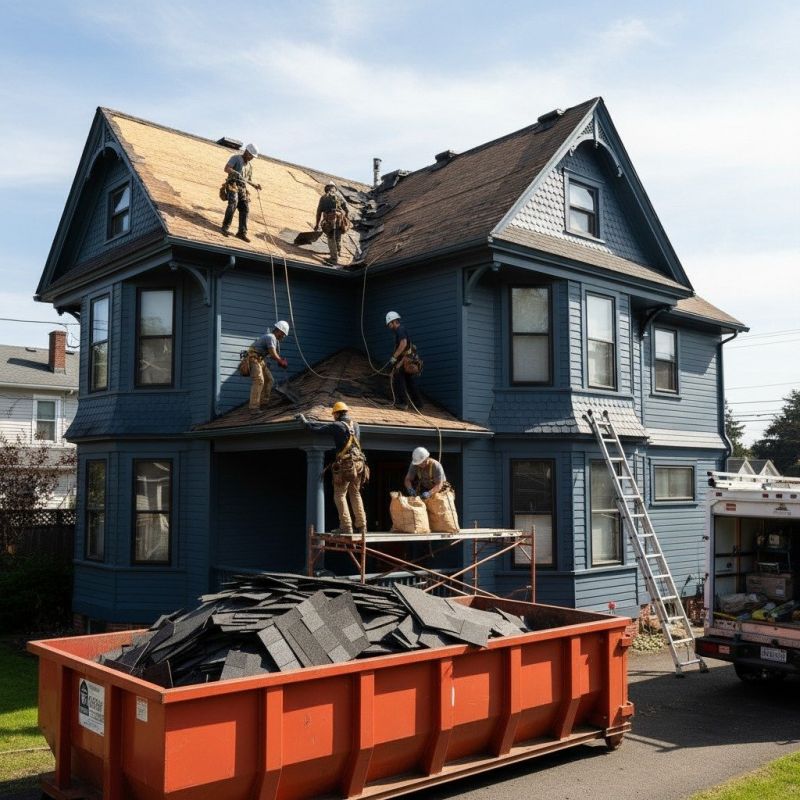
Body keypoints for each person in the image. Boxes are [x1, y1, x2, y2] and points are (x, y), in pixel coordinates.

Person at [298, 402, 368, 534]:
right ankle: (362, 526)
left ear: (336, 414)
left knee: (340, 495)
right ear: (346, 412)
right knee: (355, 493)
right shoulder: (356, 425)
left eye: (334, 414)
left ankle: (346, 527)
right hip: (359, 463)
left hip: (347, 464)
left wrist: (305, 423)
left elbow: (316, 429)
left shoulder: (336, 426)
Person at [222, 143, 262, 242]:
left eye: (253, 157)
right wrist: (235, 172)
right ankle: (225, 228)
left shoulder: (249, 166)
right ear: (246, 152)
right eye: (250, 155)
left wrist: (255, 185)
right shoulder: (236, 158)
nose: (251, 158)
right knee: (233, 204)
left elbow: (248, 180)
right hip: (233, 184)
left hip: (242, 188)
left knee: (245, 208)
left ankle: (241, 232)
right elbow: (226, 168)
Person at [247, 321, 289, 411]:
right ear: (279, 331)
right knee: (259, 380)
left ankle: (263, 404)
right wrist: (280, 361)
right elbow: (273, 353)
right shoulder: (271, 337)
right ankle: (253, 407)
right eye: (283, 334)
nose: (284, 336)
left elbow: (272, 354)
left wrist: (279, 360)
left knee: (269, 380)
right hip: (253, 358)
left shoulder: (272, 338)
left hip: (259, 360)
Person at [385, 311, 422, 411]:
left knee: (398, 378)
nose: (389, 327)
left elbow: (403, 344)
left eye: (389, 324)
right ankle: (418, 403)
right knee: (409, 381)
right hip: (409, 359)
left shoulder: (400, 330)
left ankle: (402, 403)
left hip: (406, 359)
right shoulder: (401, 330)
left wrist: (394, 357)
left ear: (393, 322)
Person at [314, 182, 350, 265]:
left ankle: (334, 259)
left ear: (326, 189)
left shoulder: (323, 198)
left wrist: (317, 224)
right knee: (338, 236)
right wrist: (346, 218)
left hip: (330, 220)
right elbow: (347, 209)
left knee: (331, 238)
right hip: (340, 219)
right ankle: (338, 252)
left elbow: (319, 212)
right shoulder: (339, 196)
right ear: (334, 188)